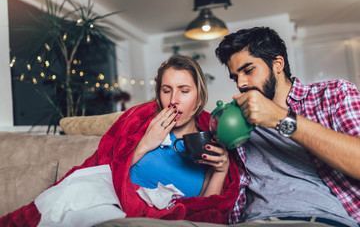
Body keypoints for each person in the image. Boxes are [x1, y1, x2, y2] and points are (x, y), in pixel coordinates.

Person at [0, 55, 241, 226]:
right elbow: (107, 167)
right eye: (167, 90)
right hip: (108, 198)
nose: (173, 100)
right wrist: (147, 142)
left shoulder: (212, 141)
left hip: (155, 219)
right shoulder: (142, 125)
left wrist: (221, 170)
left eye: (184, 90)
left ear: (199, 99)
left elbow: (206, 212)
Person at [215, 27, 360, 227]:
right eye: (235, 77)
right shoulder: (237, 120)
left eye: (248, 71)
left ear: (277, 64)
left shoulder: (334, 94)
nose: (241, 83)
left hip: (317, 218)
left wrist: (280, 118)